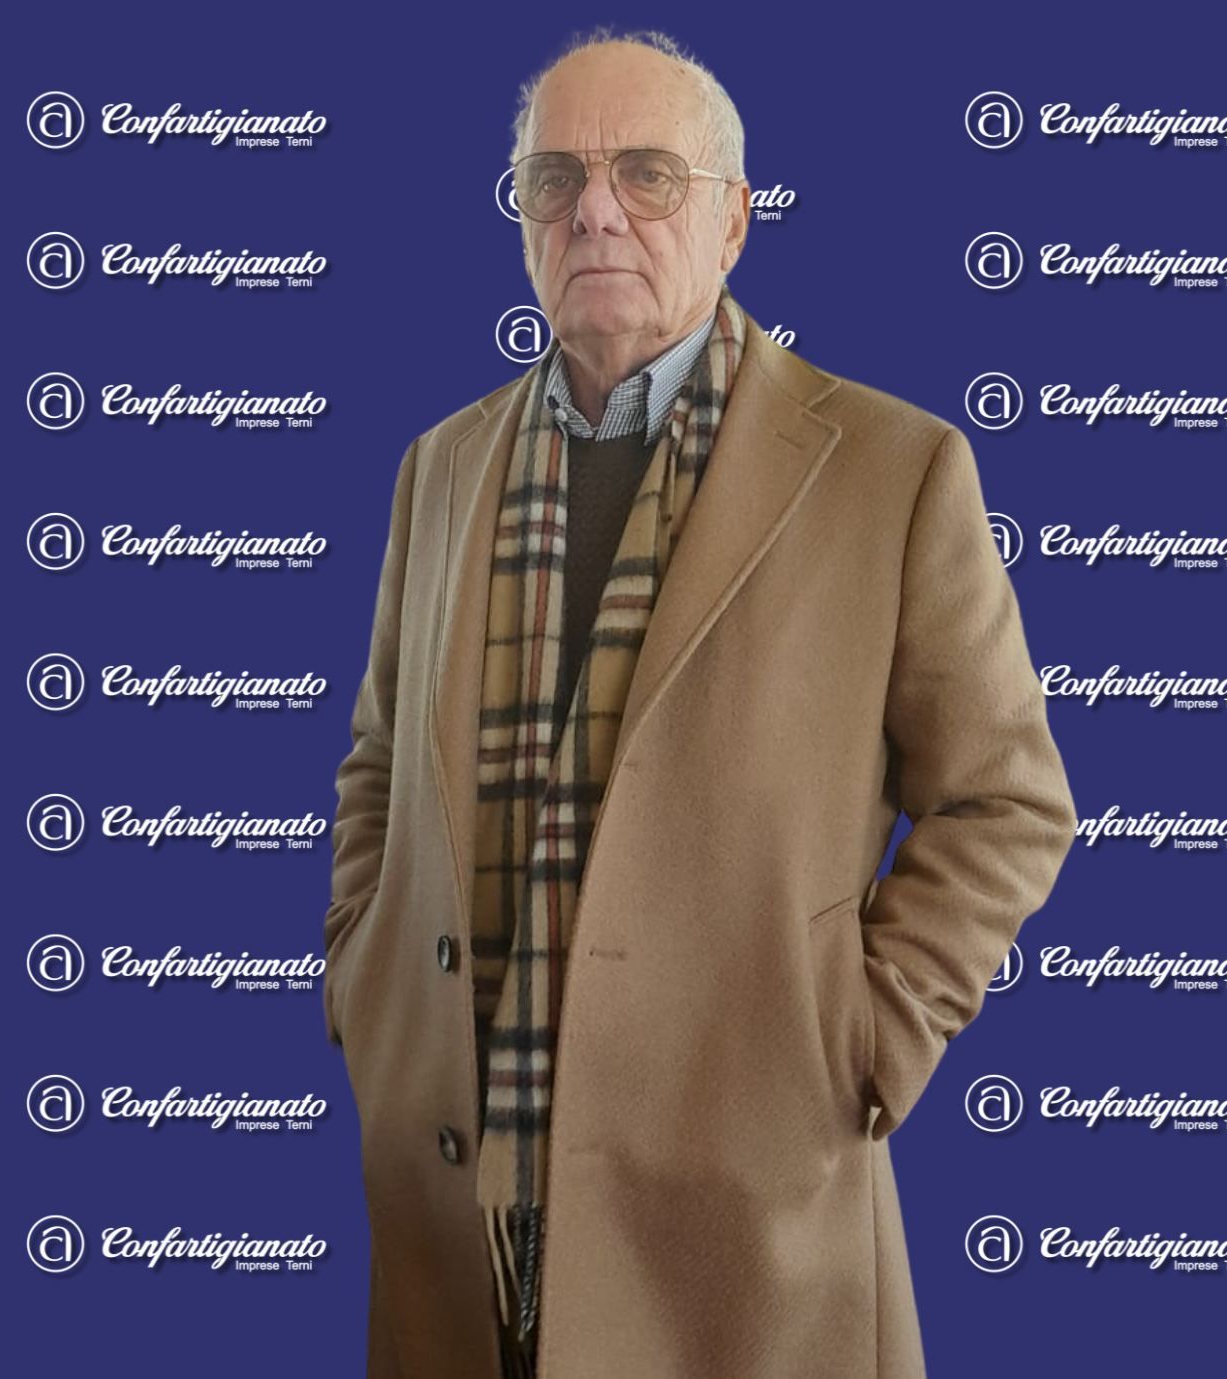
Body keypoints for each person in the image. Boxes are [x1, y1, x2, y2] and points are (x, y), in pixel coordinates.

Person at [322, 26, 1076, 1379]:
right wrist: (361, 976)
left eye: (647, 174)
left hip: (744, 1231)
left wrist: (867, 1035)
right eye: (554, 179)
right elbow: (379, 760)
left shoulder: (889, 468)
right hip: (452, 1209)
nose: (594, 211)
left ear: (734, 219)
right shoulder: (439, 466)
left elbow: (1005, 800)